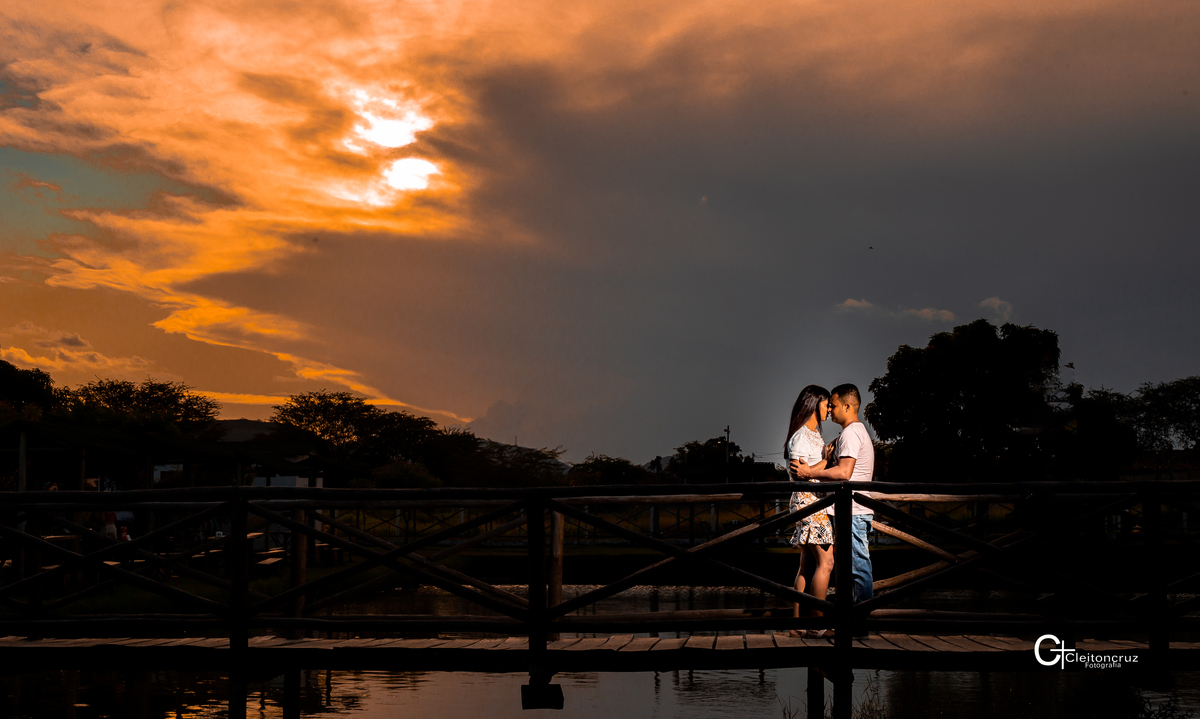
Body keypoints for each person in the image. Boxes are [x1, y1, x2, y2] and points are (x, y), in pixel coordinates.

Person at [792, 383, 875, 609]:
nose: (830, 409)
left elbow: (844, 473)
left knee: (857, 568)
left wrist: (810, 471)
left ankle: (857, 623)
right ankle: (848, 622)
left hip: (853, 512)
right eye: (828, 405)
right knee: (850, 568)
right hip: (849, 511)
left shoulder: (850, 433)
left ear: (847, 406)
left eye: (834, 405)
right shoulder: (854, 433)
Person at [784, 385, 835, 638]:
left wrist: (824, 457)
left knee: (806, 564)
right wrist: (827, 461)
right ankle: (818, 625)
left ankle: (796, 624)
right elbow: (798, 474)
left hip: (816, 501)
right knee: (826, 561)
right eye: (827, 403)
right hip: (808, 501)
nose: (830, 408)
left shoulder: (815, 435)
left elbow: (812, 469)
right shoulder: (801, 436)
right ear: (816, 403)